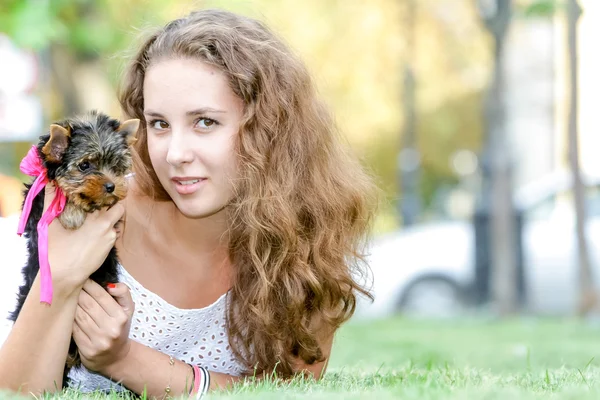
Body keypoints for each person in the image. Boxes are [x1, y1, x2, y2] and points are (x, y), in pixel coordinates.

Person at [0, 8, 378, 397]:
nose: (175, 153)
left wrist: (123, 359)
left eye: (205, 122)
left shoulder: (305, 248)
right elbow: (17, 391)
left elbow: (292, 390)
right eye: (160, 124)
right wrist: (59, 278)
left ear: (269, 129)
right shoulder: (95, 213)